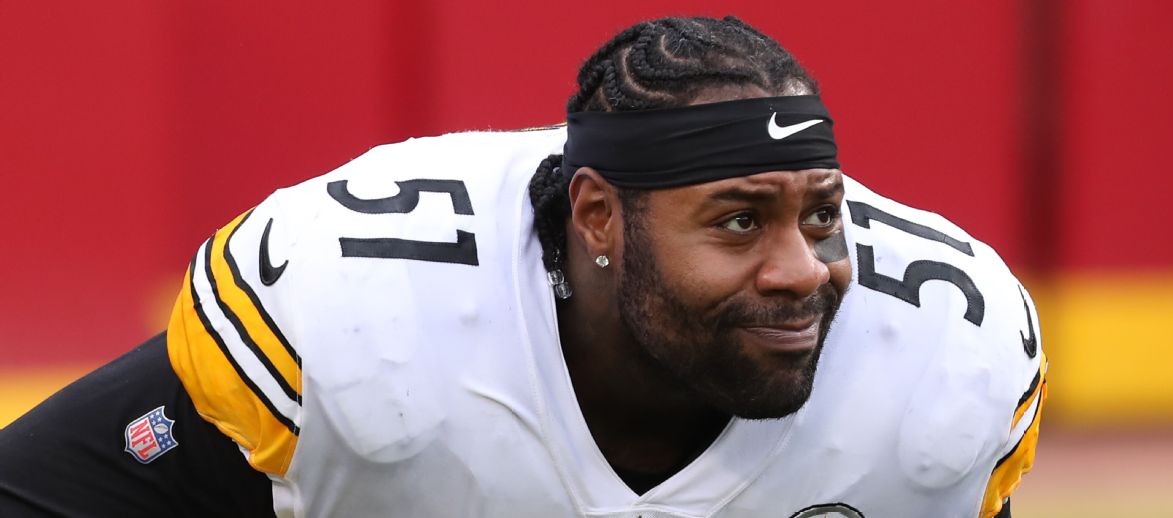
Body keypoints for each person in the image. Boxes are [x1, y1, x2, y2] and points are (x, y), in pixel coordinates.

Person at [0, 16, 1046, 518]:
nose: (803, 270)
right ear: (600, 217)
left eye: (823, 215)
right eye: (737, 222)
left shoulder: (944, 368)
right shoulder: (365, 314)